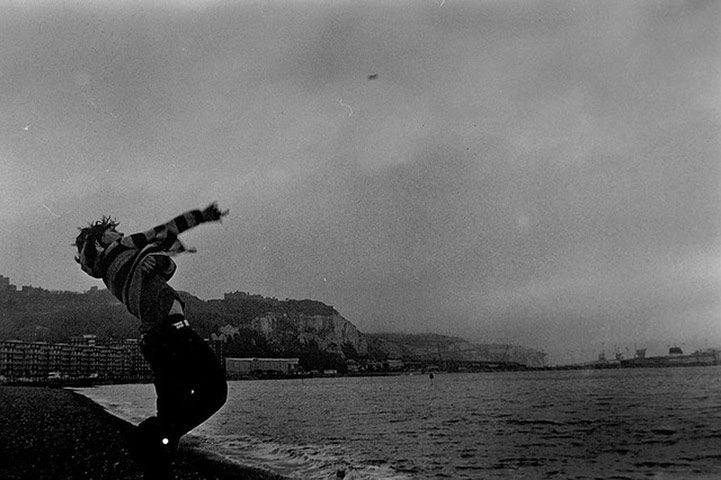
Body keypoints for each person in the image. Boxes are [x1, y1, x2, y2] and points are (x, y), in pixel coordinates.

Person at [74, 202, 229, 479]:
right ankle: (148, 437)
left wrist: (155, 260)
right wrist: (202, 216)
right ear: (101, 240)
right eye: (111, 231)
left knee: (172, 407)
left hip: (157, 340)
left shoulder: (113, 268)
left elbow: (163, 266)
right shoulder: (122, 250)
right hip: (171, 334)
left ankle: (156, 452)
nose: (118, 234)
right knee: (214, 390)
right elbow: (165, 230)